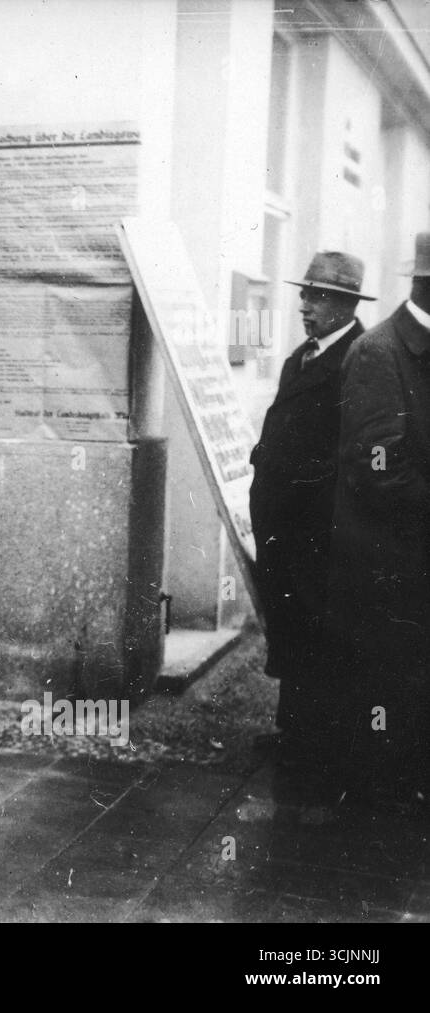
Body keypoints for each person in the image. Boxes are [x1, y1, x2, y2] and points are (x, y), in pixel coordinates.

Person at [249, 251, 369, 770]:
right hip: (283, 525)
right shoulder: (302, 356)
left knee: (317, 626)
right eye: (304, 293)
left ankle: (317, 742)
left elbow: (354, 451)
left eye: (317, 296)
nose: (304, 304)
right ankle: (293, 728)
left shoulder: (360, 361)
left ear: (345, 304)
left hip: (318, 528)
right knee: (290, 622)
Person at [327, 233, 430, 810]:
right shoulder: (380, 353)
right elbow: (378, 463)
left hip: (412, 555)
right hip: (385, 563)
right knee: (385, 691)